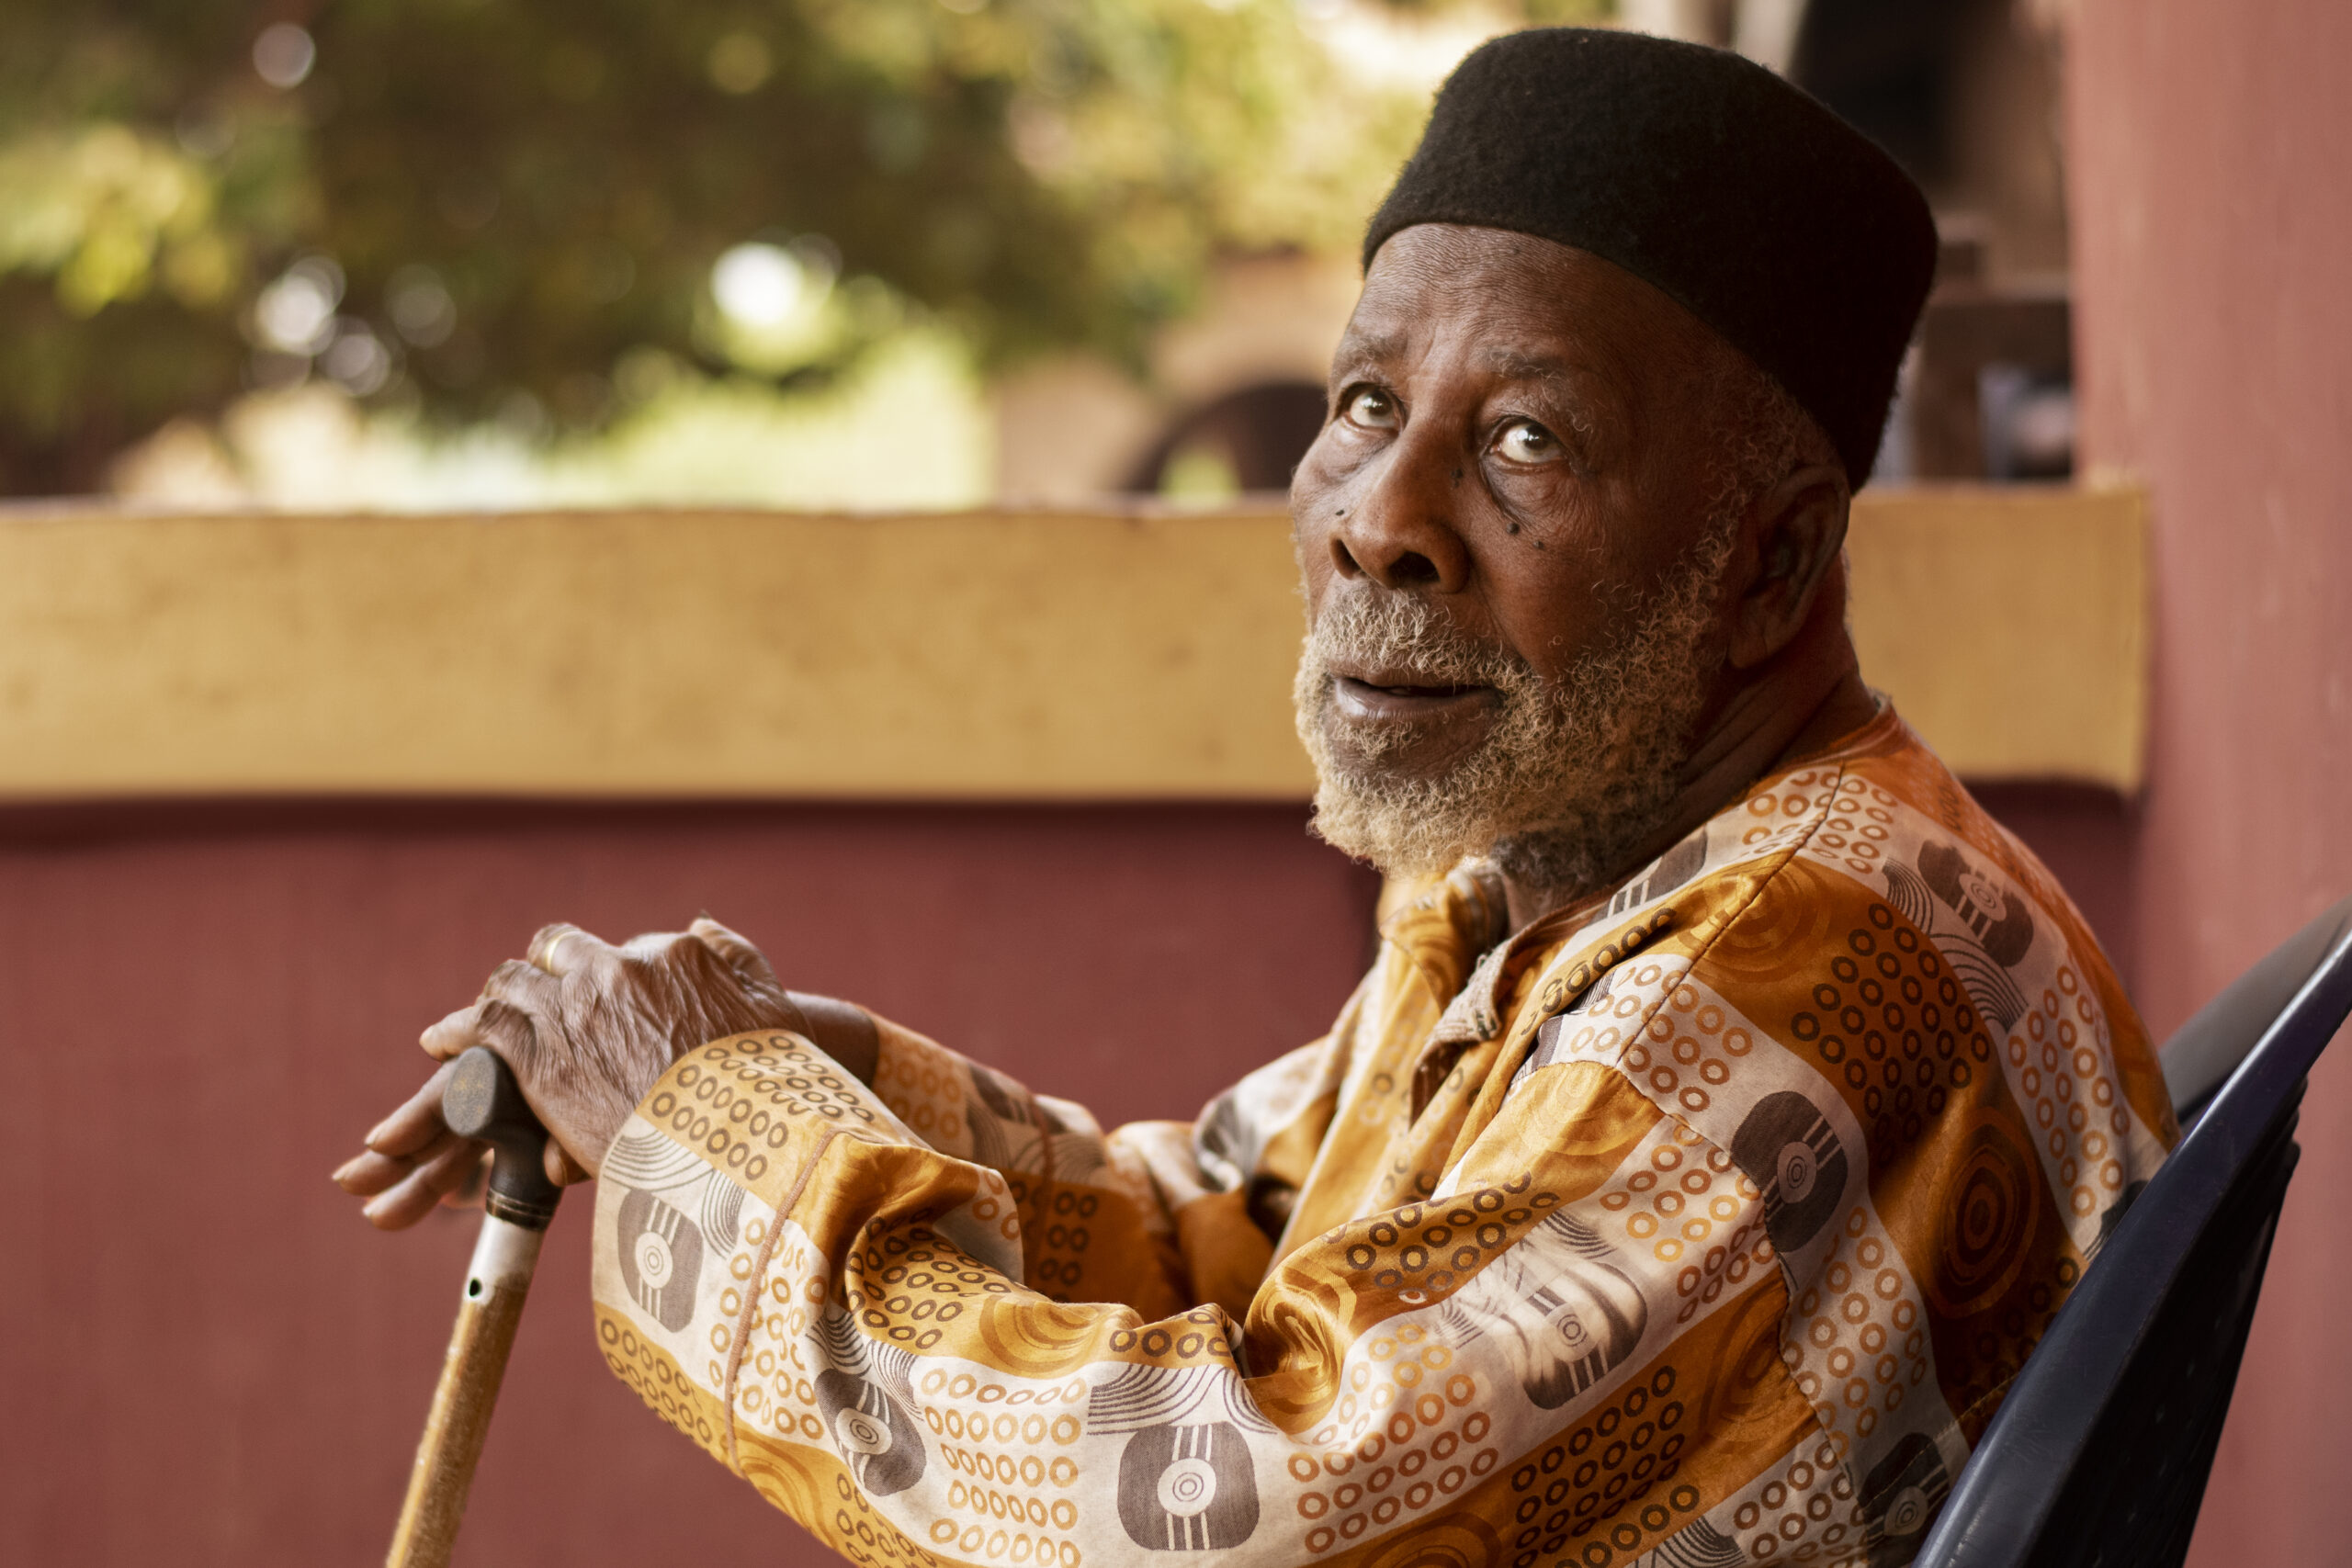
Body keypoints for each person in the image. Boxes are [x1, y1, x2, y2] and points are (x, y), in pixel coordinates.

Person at [334, 28, 2175, 1568]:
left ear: (1765, 564)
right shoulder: (1549, 898)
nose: (1379, 519)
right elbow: (1226, 1230)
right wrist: (780, 1065)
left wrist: (710, 1129)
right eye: (1363, 402)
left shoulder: (1809, 945)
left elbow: (1238, 1498)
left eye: (1525, 437)